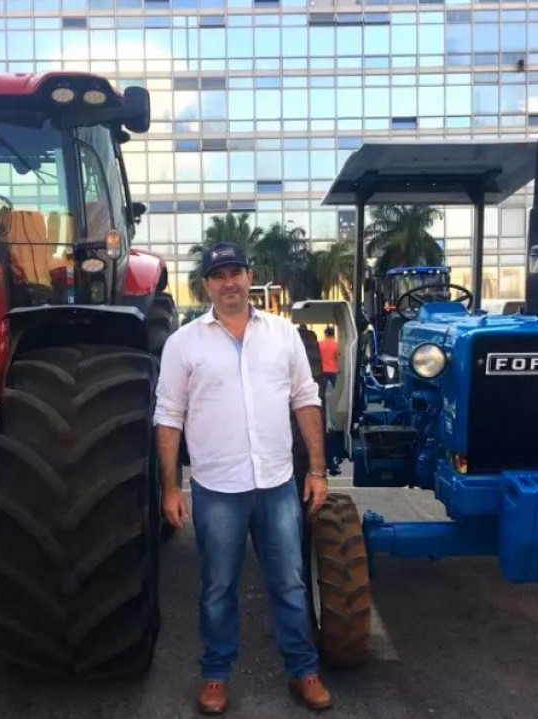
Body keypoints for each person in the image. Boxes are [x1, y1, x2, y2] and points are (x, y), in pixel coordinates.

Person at [153, 242, 333, 715]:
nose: (228, 282)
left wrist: (316, 471)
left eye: (236, 272)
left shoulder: (282, 335)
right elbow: (169, 416)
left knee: (291, 583)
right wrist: (170, 486)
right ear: (206, 285)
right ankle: (215, 674)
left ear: (250, 277)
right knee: (217, 588)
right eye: (218, 275)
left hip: (276, 485)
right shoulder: (183, 344)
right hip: (218, 491)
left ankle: (303, 670)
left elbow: (306, 400)